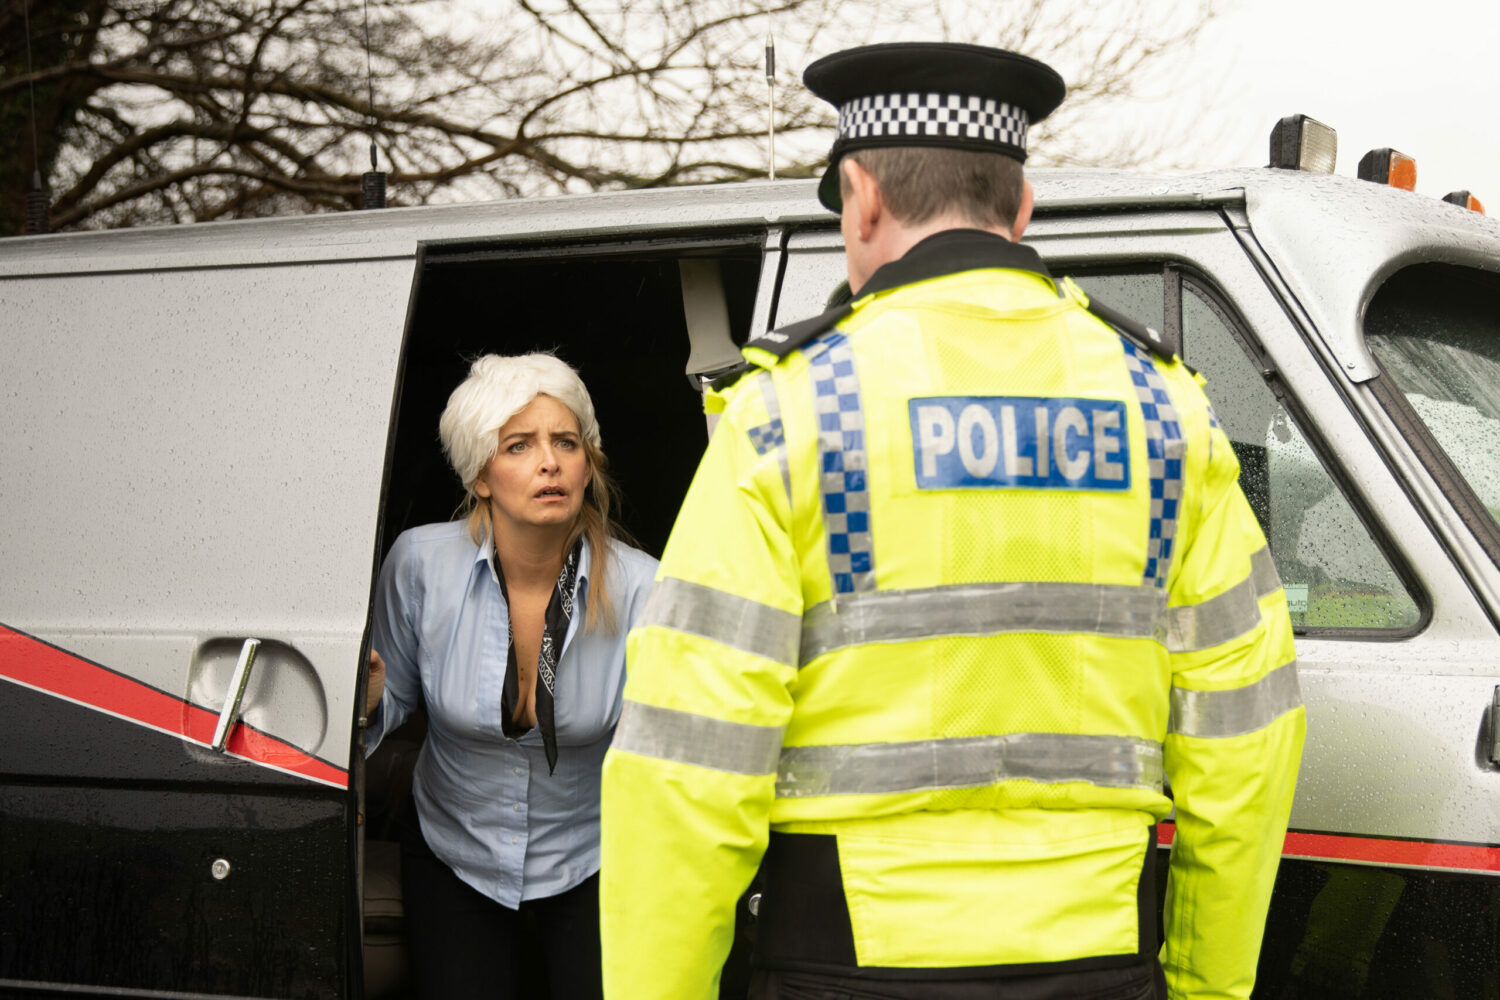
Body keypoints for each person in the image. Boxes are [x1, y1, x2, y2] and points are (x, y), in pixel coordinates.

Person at [599, 42, 1305, 1000]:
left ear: (861, 197)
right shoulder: (1166, 411)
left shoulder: (790, 415)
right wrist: (1202, 983)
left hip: (844, 963)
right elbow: (1249, 738)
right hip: (1100, 958)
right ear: (1022, 209)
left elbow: (686, 768)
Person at [363, 353, 658, 1000]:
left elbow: (668, 752)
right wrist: (369, 704)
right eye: (519, 446)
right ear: (481, 475)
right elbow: (388, 706)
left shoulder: (646, 587)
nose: (549, 463)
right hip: (452, 855)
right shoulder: (419, 565)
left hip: (594, 860)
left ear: (588, 464)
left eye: (566, 443)